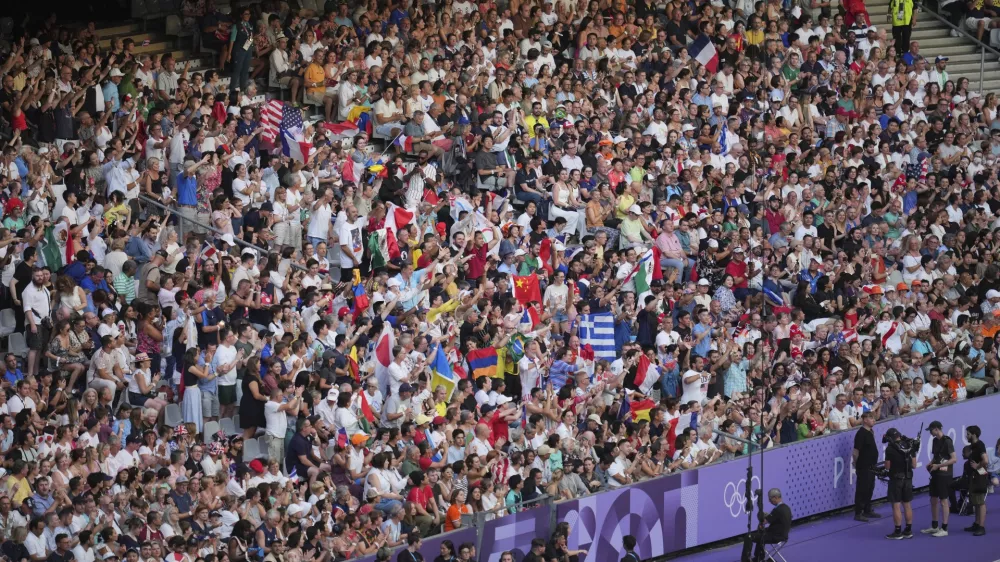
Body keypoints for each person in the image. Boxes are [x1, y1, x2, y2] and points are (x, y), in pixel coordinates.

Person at [922, 420, 956, 537]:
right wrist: (931, 463)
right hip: (935, 473)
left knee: (943, 501)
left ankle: (944, 528)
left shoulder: (947, 441)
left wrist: (939, 465)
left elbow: (954, 459)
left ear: (936, 429)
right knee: (933, 499)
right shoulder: (935, 441)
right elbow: (936, 456)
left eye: (931, 430)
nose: (930, 433)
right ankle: (935, 526)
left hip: (945, 475)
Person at [740, 489, 792, 562]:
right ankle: (759, 557)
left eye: (770, 499)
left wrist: (760, 516)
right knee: (760, 534)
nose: (769, 501)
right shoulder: (787, 508)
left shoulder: (777, 510)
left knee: (748, 536)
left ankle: (746, 560)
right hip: (783, 535)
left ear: (775, 497)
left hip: (775, 536)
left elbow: (764, 521)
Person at [883, 427, 916, 539]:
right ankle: (908, 530)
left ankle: (897, 532)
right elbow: (914, 465)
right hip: (908, 478)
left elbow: (887, 467)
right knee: (907, 504)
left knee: (896, 505)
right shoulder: (910, 445)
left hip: (896, 479)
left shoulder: (890, 449)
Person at [852, 412, 881, 521]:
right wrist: (856, 463)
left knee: (870, 488)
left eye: (874, 418)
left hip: (872, 465)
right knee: (862, 489)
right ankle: (858, 513)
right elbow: (855, 451)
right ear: (864, 420)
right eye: (871, 418)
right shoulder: (861, 434)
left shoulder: (870, 432)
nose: (874, 420)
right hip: (863, 466)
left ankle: (867, 510)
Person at [964, 425, 989, 536]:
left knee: (980, 502)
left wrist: (978, 466)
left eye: (968, 434)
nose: (966, 436)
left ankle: (981, 527)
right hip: (973, 477)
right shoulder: (973, 446)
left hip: (979, 477)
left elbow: (985, 460)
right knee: (976, 502)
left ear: (974, 434)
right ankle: (977, 523)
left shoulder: (980, 445)